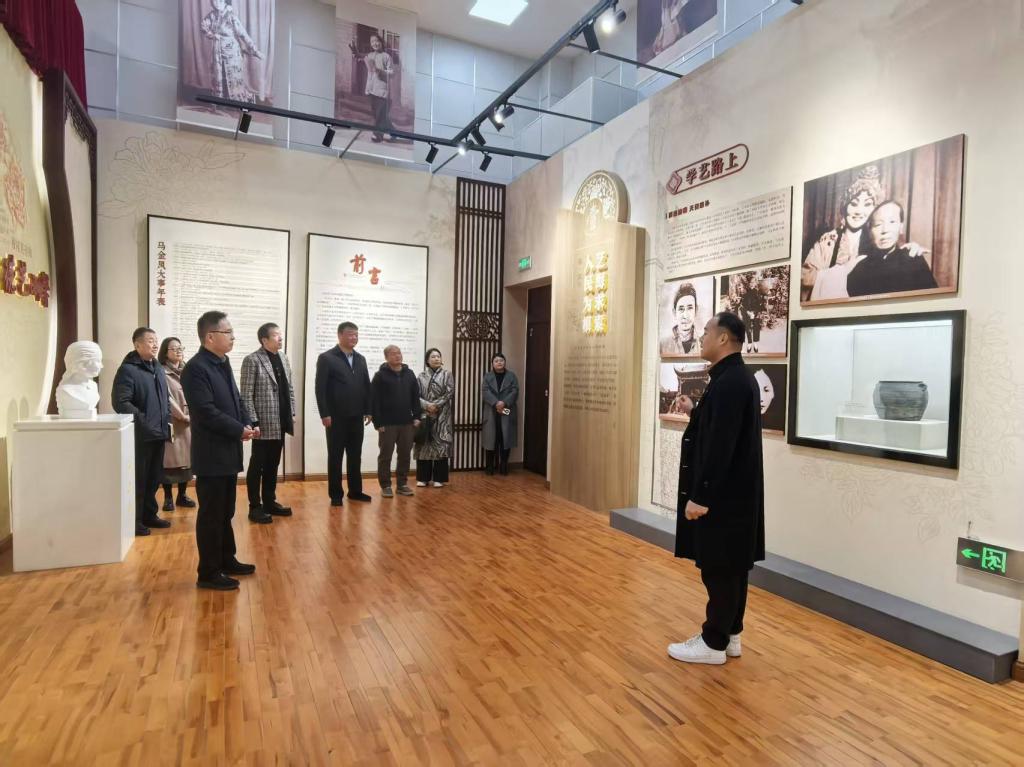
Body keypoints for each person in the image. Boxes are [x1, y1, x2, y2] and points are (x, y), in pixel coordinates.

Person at [669, 311, 765, 665]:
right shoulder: (735, 377)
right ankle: (730, 634)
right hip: (735, 495)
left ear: (723, 338)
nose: (702, 336)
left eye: (707, 331)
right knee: (733, 566)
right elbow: (721, 429)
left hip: (723, 497)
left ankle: (713, 642)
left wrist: (701, 496)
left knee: (720, 567)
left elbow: (720, 445)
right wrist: (696, 410)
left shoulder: (730, 382)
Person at [180, 311, 257, 591]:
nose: (233, 337)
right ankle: (208, 572)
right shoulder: (196, 369)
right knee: (211, 514)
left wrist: (247, 422)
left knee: (226, 511)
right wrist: (238, 430)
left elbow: (236, 400)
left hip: (228, 450)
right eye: (228, 332)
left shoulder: (222, 362)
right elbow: (206, 411)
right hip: (211, 453)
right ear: (210, 337)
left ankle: (226, 559)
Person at [112, 327, 171, 537]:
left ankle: (149, 515)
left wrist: (166, 419)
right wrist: (144, 421)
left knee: (154, 478)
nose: (155, 344)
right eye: (150, 340)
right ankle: (134, 520)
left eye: (156, 340)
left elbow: (165, 399)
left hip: (159, 433)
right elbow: (121, 402)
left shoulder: (158, 368)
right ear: (137, 345)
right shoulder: (128, 370)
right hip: (141, 435)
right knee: (139, 480)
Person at [801, 166, 884, 301]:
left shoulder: (878, 241)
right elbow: (804, 278)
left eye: (867, 204)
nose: (859, 211)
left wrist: (907, 252)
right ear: (845, 207)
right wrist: (842, 271)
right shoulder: (828, 241)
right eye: (854, 203)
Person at [241, 322, 296, 524]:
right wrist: (253, 421)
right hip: (262, 423)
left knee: (273, 464)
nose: (280, 338)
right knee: (258, 465)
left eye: (280, 335)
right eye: (276, 335)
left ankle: (270, 502)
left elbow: (289, 388)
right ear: (264, 340)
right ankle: (255, 507)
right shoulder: (252, 360)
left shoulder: (283, 358)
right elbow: (246, 395)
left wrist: (292, 412)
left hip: (281, 421)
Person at [315, 322, 373, 506]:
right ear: (340, 335)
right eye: (350, 334)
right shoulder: (327, 358)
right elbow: (320, 389)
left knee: (355, 455)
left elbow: (366, 386)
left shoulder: (361, 359)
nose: (354, 337)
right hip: (335, 417)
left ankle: (355, 491)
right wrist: (324, 414)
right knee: (335, 456)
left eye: (356, 334)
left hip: (357, 416)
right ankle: (336, 495)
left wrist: (368, 410)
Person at [846, 201, 939, 297]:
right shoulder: (860, 268)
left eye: (892, 222)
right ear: (870, 230)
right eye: (878, 224)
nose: (885, 230)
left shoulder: (913, 259)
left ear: (901, 227)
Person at [371, 345, 422, 497]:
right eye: (393, 354)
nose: (397, 356)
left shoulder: (409, 374)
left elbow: (415, 397)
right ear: (386, 357)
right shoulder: (380, 376)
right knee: (385, 455)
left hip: (407, 423)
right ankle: (386, 485)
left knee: (405, 454)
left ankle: (402, 484)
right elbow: (374, 400)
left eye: (399, 353)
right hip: (387, 424)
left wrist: (417, 416)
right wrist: (378, 423)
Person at [158, 337, 195, 513]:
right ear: (165, 353)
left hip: (190, 420)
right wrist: (181, 415)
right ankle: (168, 497)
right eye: (174, 348)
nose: (179, 351)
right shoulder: (161, 371)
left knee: (186, 461)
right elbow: (166, 397)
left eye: (180, 348)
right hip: (173, 420)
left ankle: (182, 495)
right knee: (169, 461)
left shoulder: (188, 369)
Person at [201, 0, 264, 103]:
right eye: (214, 1)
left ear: (225, 2)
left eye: (219, 1)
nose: (216, 3)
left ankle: (241, 100)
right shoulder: (212, 15)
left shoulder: (231, 16)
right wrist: (212, 35)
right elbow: (203, 26)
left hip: (232, 53)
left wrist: (255, 50)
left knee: (234, 78)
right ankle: (220, 100)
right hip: (217, 51)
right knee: (219, 75)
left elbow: (243, 34)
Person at [414, 348, 455, 488]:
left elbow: (449, 393)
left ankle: (439, 478)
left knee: (441, 445)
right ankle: (423, 478)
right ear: (427, 360)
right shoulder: (421, 376)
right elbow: (415, 395)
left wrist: (435, 405)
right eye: (433, 356)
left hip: (442, 415)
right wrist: (427, 405)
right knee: (424, 444)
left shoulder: (447, 374)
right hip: (425, 415)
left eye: (438, 356)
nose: (436, 358)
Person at [349, 33, 394, 143]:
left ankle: (377, 135)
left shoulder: (386, 57)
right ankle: (394, 132)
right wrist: (354, 50)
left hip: (382, 89)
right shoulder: (370, 55)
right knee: (378, 114)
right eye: (372, 42)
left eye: (377, 41)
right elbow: (359, 56)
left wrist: (380, 71)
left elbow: (392, 73)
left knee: (379, 114)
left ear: (381, 42)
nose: (375, 43)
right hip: (372, 88)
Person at [481, 353, 519, 476]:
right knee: (491, 439)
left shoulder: (512, 376)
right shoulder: (487, 376)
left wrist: (504, 403)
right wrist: (496, 403)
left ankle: (504, 465)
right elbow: (485, 391)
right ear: (492, 363)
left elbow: (515, 391)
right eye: (496, 361)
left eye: (501, 360)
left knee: (505, 438)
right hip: (491, 411)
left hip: (507, 410)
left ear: (505, 362)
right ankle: (489, 466)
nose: (499, 362)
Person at [660, 282, 701, 356]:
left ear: (696, 310)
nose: (685, 316)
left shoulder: (702, 343)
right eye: (681, 309)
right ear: (674, 312)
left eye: (690, 308)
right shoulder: (663, 344)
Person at [736, 274, 765, 354]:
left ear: (755, 283)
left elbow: (760, 305)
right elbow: (743, 305)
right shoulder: (745, 294)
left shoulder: (758, 293)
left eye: (753, 282)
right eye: (750, 282)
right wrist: (747, 312)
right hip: (747, 313)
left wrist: (754, 313)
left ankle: (755, 343)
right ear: (748, 284)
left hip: (755, 313)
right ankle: (749, 343)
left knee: (756, 328)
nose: (752, 284)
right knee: (747, 328)